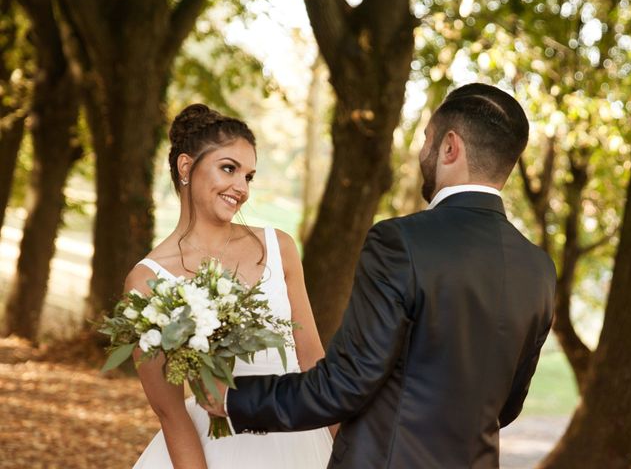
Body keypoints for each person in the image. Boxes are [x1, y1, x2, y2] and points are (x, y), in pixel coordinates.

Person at [209, 83, 557, 468]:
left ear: (450, 147)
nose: (422, 151)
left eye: (427, 139)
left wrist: (233, 398)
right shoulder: (539, 268)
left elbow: (344, 384)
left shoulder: (401, 242)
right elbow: (506, 406)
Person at [126, 104, 333, 468]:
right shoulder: (147, 283)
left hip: (300, 443)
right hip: (213, 449)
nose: (241, 188)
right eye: (228, 168)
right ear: (186, 167)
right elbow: (170, 413)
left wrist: (348, 452)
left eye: (249, 176)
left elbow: (314, 362)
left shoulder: (278, 248)